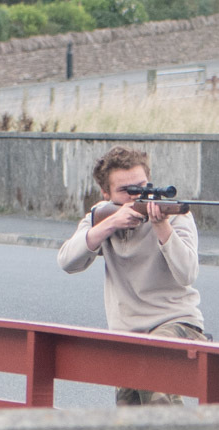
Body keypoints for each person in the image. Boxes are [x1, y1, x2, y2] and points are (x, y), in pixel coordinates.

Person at [57, 145, 208, 406]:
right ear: (106, 194)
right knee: (130, 420)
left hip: (177, 324)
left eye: (142, 186)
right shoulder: (103, 217)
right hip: (127, 335)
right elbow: (68, 261)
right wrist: (109, 225)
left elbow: (187, 274)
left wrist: (161, 227)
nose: (137, 195)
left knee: (158, 387)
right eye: (126, 191)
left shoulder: (175, 217)